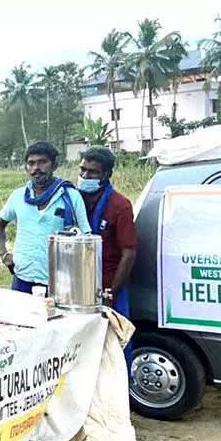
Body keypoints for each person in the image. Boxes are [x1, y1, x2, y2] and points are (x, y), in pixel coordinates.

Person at [0, 141, 91, 294]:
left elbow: (86, 238)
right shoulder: (18, 196)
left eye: (42, 162)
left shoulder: (71, 197)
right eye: (31, 163)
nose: (36, 168)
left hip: (58, 281)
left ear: (54, 166)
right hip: (22, 278)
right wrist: (3, 254)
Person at [78, 146, 136, 371]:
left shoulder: (119, 205)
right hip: (79, 285)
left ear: (106, 175)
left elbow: (129, 252)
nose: (85, 176)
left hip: (110, 284)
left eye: (92, 172)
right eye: (82, 170)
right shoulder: (75, 199)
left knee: (116, 342)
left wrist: (111, 291)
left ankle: (123, 395)